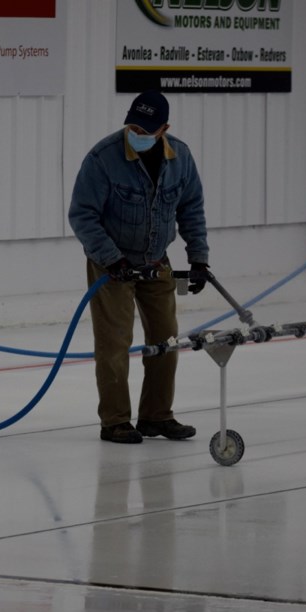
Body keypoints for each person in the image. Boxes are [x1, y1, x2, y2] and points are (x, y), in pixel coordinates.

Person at [68, 91, 209, 444]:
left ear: (164, 129)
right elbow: (83, 215)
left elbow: (191, 210)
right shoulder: (102, 158)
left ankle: (156, 417)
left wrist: (199, 259)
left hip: (157, 260)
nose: (138, 133)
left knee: (166, 340)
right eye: (132, 126)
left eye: (146, 129)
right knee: (115, 343)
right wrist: (111, 258)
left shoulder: (181, 157)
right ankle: (115, 421)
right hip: (111, 265)